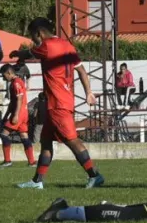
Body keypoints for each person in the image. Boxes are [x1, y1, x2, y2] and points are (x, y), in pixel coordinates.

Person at [11, 18, 104, 189]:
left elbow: (30, 53)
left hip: (58, 103)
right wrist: (88, 92)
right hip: (62, 101)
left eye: (33, 36)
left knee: (72, 140)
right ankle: (37, 181)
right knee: (46, 141)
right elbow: (81, 70)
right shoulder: (67, 45)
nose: (33, 40)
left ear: (39, 33)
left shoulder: (47, 46)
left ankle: (94, 175)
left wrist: (18, 53)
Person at [0, 64, 36, 167]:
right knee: (24, 136)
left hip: (19, 113)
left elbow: (19, 99)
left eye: (4, 75)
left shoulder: (16, 83)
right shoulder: (16, 82)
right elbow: (12, 102)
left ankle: (7, 161)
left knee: (4, 134)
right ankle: (32, 162)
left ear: (9, 73)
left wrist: (15, 115)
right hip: (23, 113)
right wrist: (6, 115)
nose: (3, 78)